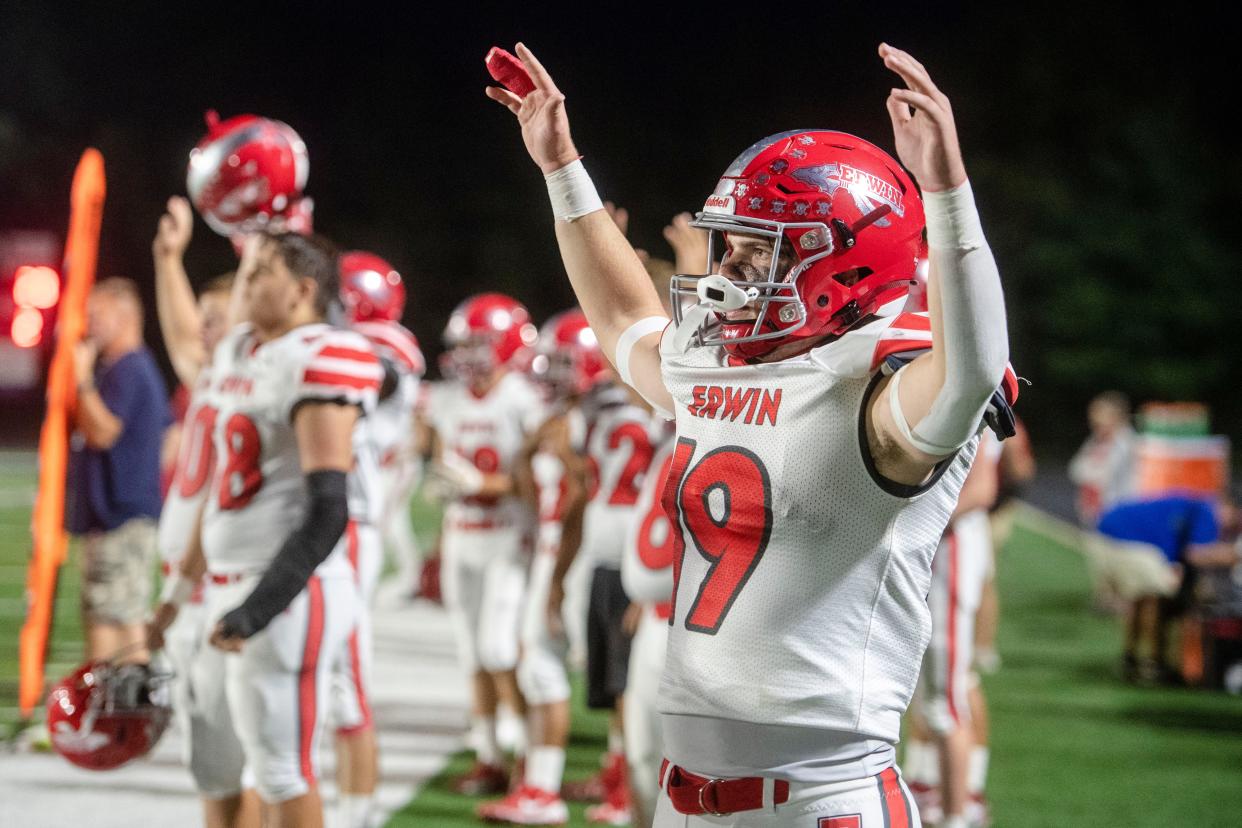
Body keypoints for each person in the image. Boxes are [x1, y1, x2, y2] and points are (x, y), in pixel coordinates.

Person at [488, 41, 1016, 826]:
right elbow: (623, 317)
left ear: (836, 262)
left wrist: (948, 196)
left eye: (751, 251)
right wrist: (561, 166)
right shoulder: (722, 367)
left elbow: (971, 370)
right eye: (729, 245)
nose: (724, 272)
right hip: (685, 797)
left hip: (820, 800)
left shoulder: (875, 390)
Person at [151, 231, 382, 828]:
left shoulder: (319, 355)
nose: (244, 287)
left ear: (303, 291)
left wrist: (257, 608)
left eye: (260, 275)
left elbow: (329, 509)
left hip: (283, 597)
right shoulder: (240, 354)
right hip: (220, 587)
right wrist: (178, 598)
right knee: (219, 766)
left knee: (281, 771)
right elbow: (217, 498)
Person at [478, 309, 601, 825]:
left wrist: (556, 578)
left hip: (574, 553)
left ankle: (544, 790)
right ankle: (553, 783)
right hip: (563, 548)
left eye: (566, 361)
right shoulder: (567, 419)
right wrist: (531, 451)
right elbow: (538, 496)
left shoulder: (590, 422)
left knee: (545, 668)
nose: (552, 371)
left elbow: (581, 499)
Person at [426, 292, 543, 795]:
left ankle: (526, 755)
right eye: (465, 344)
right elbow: (438, 459)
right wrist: (448, 484)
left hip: (508, 537)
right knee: (471, 651)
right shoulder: (447, 399)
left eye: (480, 343)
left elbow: (541, 481)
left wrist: (483, 486)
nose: (469, 354)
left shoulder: (523, 397)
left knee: (499, 647)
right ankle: (489, 754)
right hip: (462, 538)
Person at [68, 276, 173, 664]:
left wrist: (81, 379)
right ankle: (124, 711)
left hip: (120, 515)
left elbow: (102, 431)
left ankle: (123, 714)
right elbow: (169, 432)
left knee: (113, 622)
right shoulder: (130, 367)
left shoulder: (128, 367)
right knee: (116, 614)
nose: (89, 323)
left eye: (98, 314)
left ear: (126, 314)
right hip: (123, 512)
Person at [905, 434, 1002, 828]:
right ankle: (942, 791)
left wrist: (916, 520)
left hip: (947, 551)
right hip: (937, 550)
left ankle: (959, 809)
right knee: (933, 688)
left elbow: (981, 488)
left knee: (947, 696)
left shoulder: (973, 396)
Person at [1093, 494, 1237, 683]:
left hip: (1107, 533)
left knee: (1142, 597)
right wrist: (1234, 555)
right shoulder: (1208, 512)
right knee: (1158, 597)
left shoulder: (1195, 506)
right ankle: (1154, 662)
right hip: (1125, 541)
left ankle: (1132, 658)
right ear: (1228, 508)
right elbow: (1197, 554)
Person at [1069, 391, 1136, 527]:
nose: (1096, 428)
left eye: (1100, 423)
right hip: (1091, 513)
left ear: (1115, 418)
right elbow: (1076, 470)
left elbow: (1108, 477)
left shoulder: (1128, 445)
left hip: (1116, 514)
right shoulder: (1096, 441)